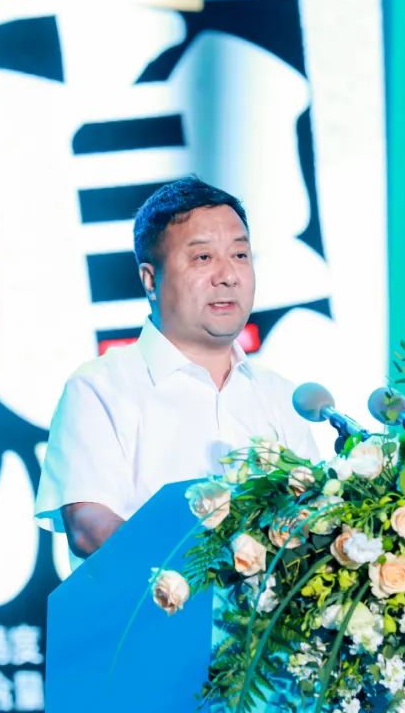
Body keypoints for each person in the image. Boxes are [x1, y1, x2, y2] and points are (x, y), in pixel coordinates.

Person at [35, 176, 319, 559]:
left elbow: (315, 522)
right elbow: (89, 526)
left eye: (240, 255)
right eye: (203, 258)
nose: (228, 275)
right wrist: (213, 566)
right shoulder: (99, 388)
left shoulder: (281, 396)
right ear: (150, 279)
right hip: (153, 597)